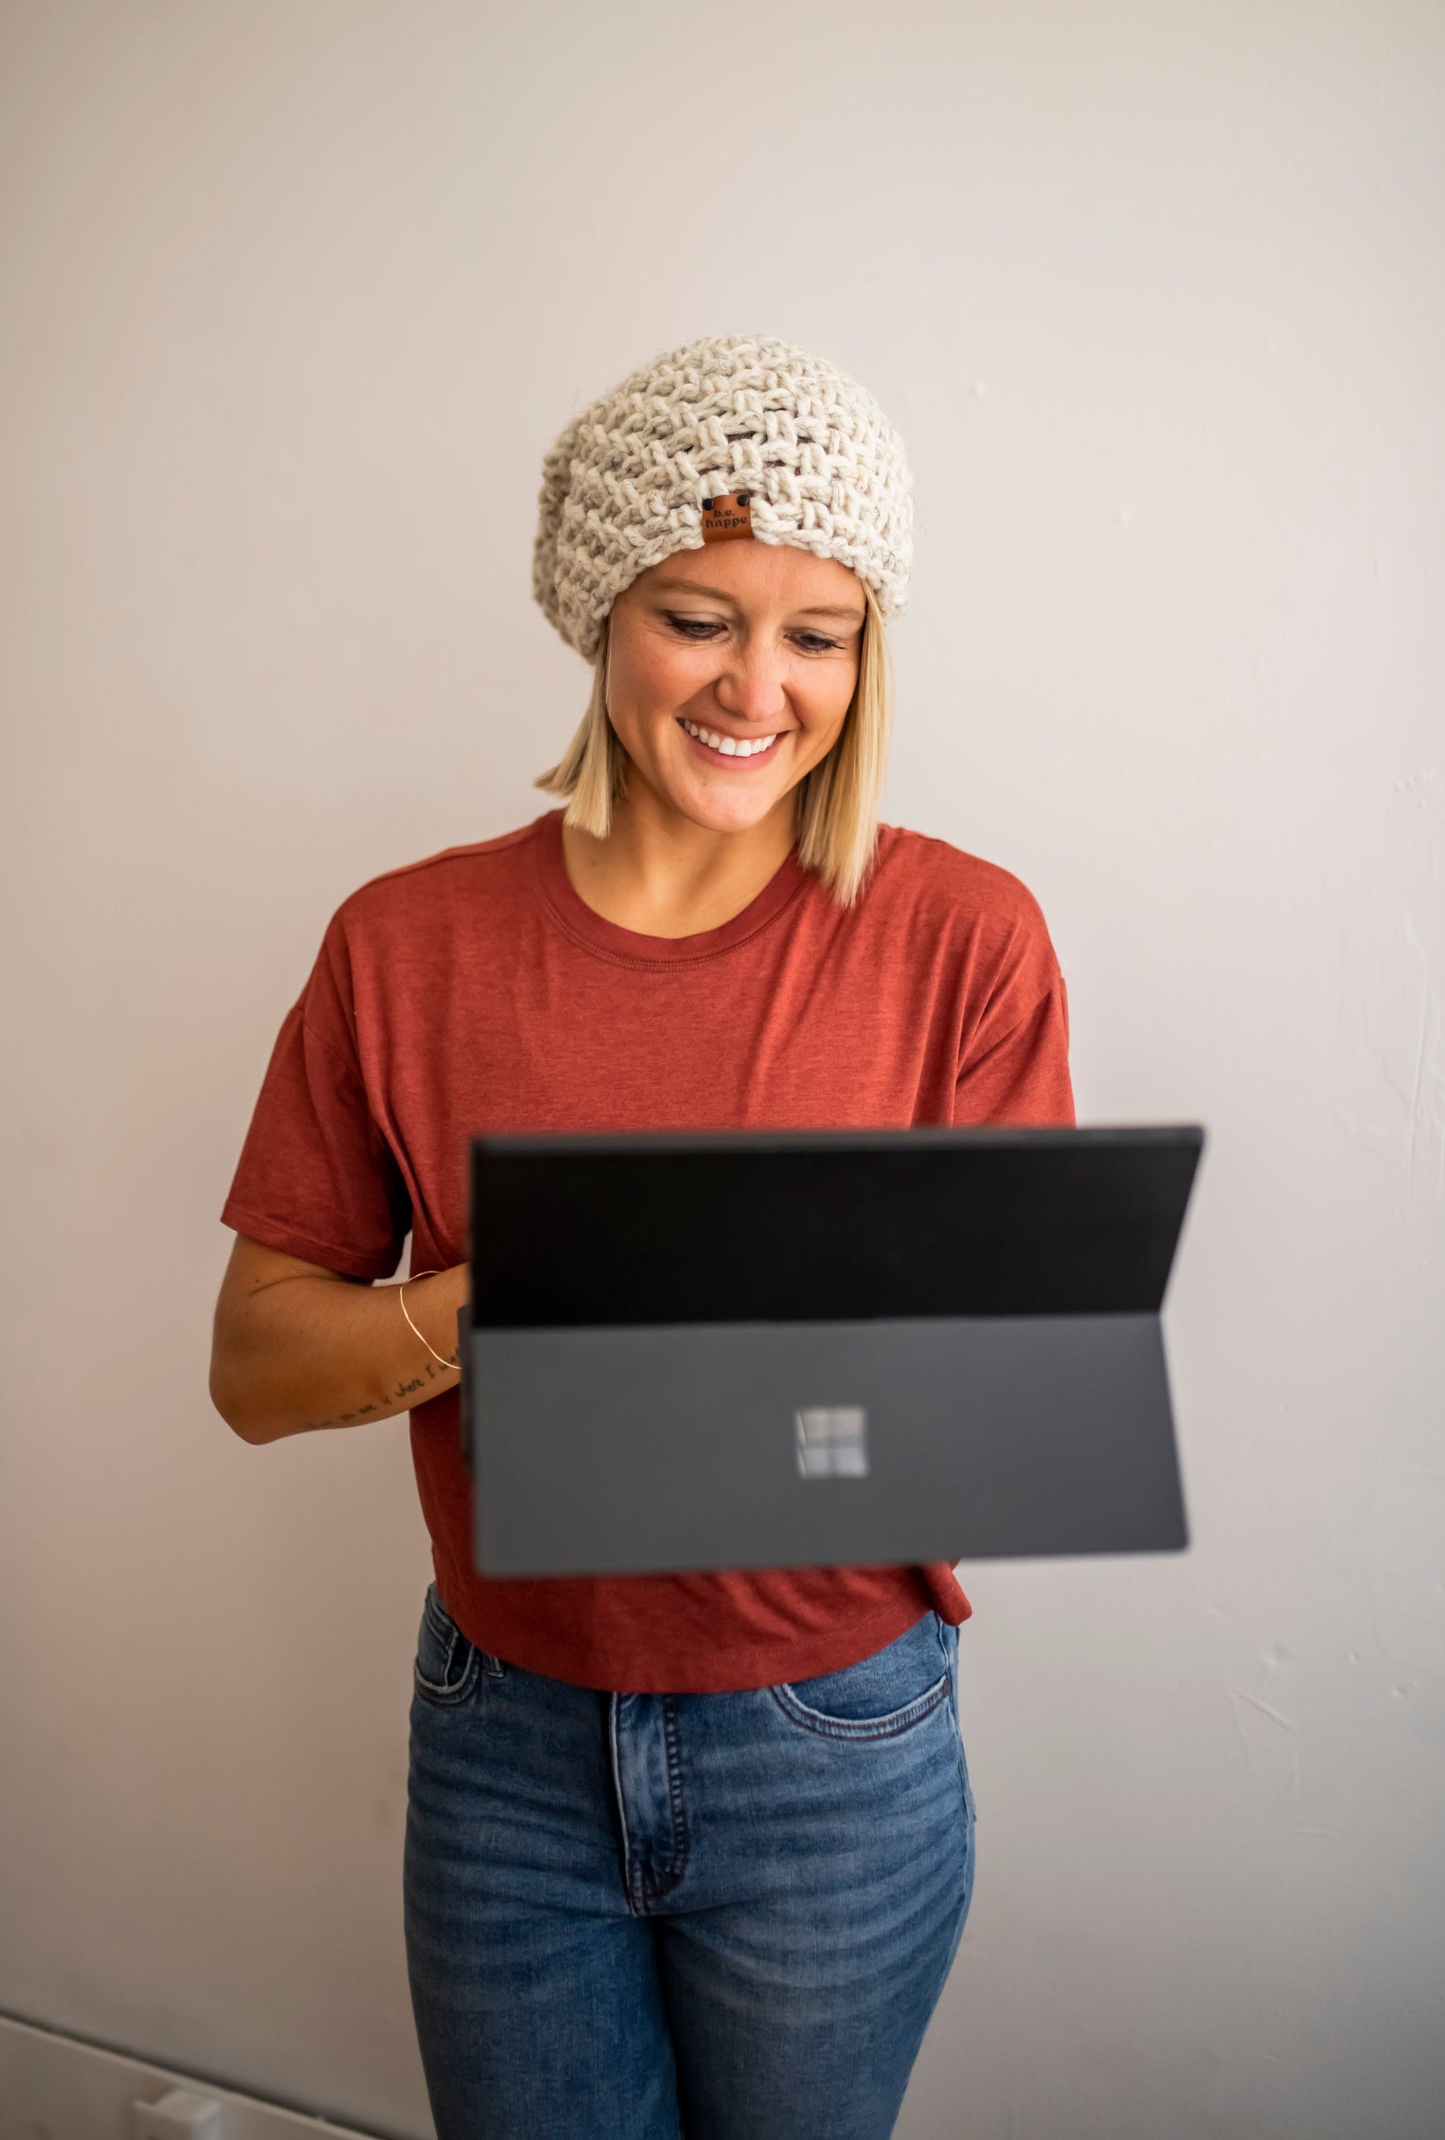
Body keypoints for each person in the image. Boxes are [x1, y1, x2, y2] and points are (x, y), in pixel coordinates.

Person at [210, 332, 1075, 2140]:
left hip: (830, 1743)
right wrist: (508, 1286)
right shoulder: (404, 944)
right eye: (695, 615)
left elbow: (1015, 1407)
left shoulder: (961, 940)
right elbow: (258, 1369)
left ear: (864, 653)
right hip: (505, 1746)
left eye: (815, 632)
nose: (755, 684)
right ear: (599, 617)